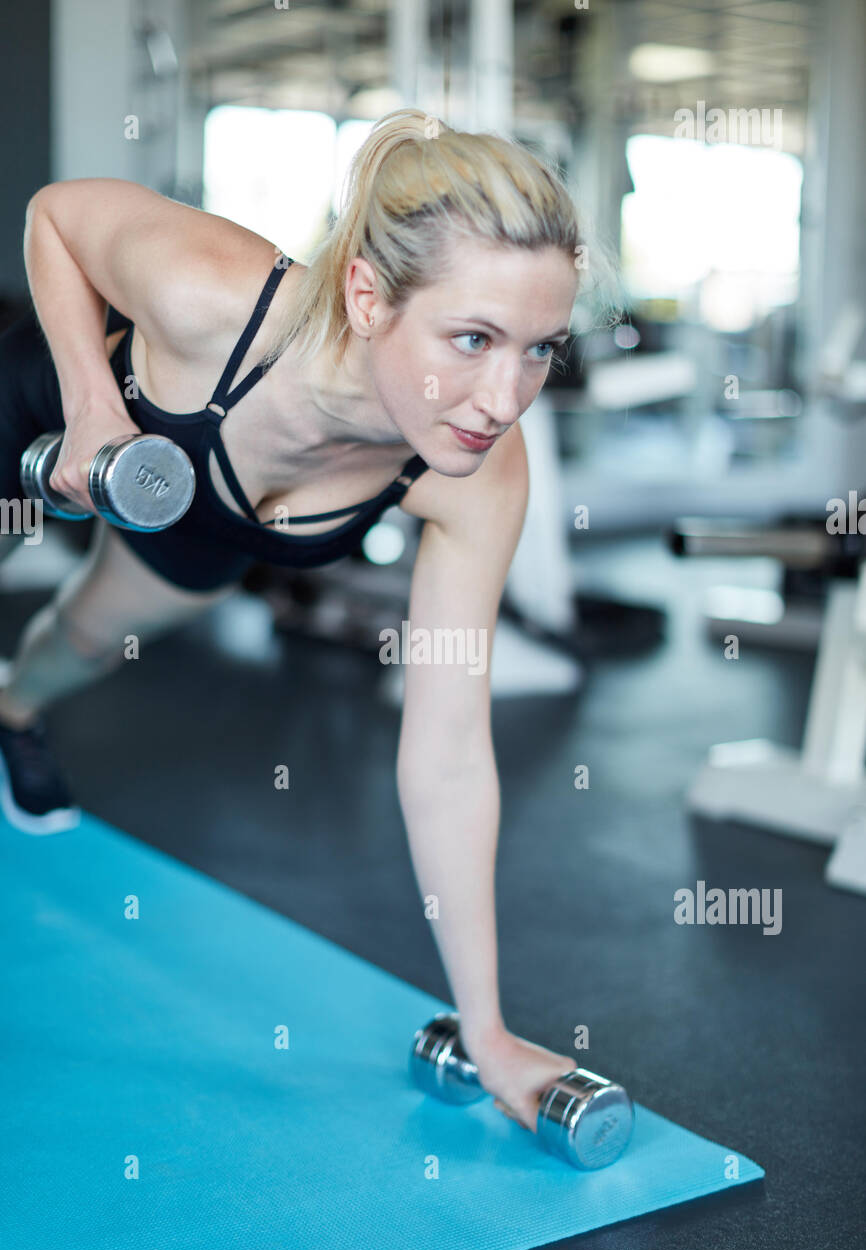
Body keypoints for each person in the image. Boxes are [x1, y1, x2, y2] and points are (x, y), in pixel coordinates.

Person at [0, 108, 591, 1131]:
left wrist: (486, 1031)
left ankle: (10, 712)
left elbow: (448, 751)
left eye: (538, 349)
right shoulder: (212, 294)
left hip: (191, 519)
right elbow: (54, 215)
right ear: (367, 295)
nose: (503, 397)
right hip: (47, 414)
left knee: (89, 638)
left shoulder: (475, 475)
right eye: (472, 338)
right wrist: (93, 407)